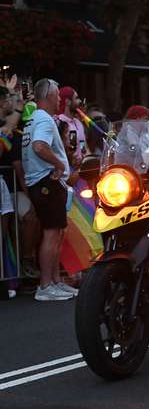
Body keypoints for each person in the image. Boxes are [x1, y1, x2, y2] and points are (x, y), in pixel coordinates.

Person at [21, 79, 78, 301]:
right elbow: (39, 146)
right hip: (47, 182)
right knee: (51, 233)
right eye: (57, 96)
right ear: (49, 97)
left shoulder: (33, 117)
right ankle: (45, 286)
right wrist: (60, 164)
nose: (60, 100)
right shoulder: (43, 118)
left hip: (44, 183)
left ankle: (55, 282)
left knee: (56, 233)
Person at [55, 86, 88, 169]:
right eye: (76, 98)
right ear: (67, 101)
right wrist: (72, 158)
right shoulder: (59, 122)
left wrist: (84, 156)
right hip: (67, 171)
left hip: (81, 169)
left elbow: (82, 144)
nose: (80, 101)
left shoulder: (78, 122)